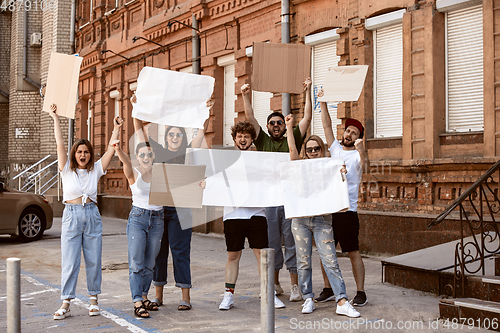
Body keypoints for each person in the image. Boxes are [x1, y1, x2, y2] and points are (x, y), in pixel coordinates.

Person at [131, 94, 209, 311]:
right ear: (167, 138)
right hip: (158, 210)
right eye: (171, 134)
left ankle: (185, 297)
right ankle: (158, 296)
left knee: (180, 252)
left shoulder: (187, 153)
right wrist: (135, 107)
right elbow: (139, 134)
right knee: (158, 253)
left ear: (182, 138)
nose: (174, 137)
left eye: (178, 134)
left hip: (181, 210)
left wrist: (205, 112)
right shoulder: (157, 153)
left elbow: (201, 133)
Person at [241, 78, 313, 302]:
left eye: (278, 123)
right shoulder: (262, 140)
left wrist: (308, 91)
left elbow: (308, 117)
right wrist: (245, 95)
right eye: (271, 122)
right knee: (272, 243)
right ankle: (275, 285)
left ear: (284, 125)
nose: (275, 125)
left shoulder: (294, 137)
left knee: (291, 242)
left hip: (290, 199)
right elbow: (251, 118)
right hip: (269, 201)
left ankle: (294, 286)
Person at [49, 104, 122, 320]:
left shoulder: (96, 169)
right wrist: (55, 117)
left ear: (90, 155)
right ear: (75, 154)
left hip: (91, 214)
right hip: (71, 215)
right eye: (79, 152)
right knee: (70, 261)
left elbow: (111, 149)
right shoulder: (66, 169)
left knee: (93, 259)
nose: (83, 155)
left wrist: (116, 129)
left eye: (86, 152)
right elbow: (60, 142)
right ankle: (66, 302)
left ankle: (93, 300)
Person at [284, 114, 360, 317]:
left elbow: (339, 185)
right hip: (300, 220)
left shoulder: (330, 164)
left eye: (316, 148)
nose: (313, 152)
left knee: (330, 259)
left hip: (322, 220)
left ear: (321, 149)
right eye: (309, 149)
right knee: (303, 260)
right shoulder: (299, 164)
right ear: (305, 152)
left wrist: (341, 173)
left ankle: (342, 300)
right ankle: (308, 297)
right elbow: (292, 150)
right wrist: (290, 127)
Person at [218, 121, 286, 310]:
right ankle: (228, 296)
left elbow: (274, 178)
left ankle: (268, 294)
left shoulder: (261, 160)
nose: (242, 139)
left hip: (257, 212)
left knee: (262, 255)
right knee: (233, 255)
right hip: (233, 214)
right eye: (239, 136)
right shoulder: (226, 160)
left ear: (252, 139)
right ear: (234, 139)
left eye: (246, 136)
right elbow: (215, 180)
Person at [316, 93, 370, 307]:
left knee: (353, 251)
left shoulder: (358, 155)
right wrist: (322, 101)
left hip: (348, 211)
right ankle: (328, 288)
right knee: (325, 251)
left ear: (358, 137)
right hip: (330, 209)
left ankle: (361, 292)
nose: (348, 134)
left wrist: (362, 149)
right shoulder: (336, 148)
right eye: (348, 130)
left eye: (353, 133)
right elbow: (327, 126)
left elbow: (366, 168)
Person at [113, 139, 164, 318]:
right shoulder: (133, 172)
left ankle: (143, 296)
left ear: (153, 156)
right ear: (137, 157)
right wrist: (118, 149)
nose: (145, 157)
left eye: (149, 154)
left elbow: (181, 186)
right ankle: (137, 301)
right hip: (138, 219)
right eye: (141, 154)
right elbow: (125, 161)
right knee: (136, 263)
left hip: (158, 219)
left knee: (150, 263)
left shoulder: (162, 173)